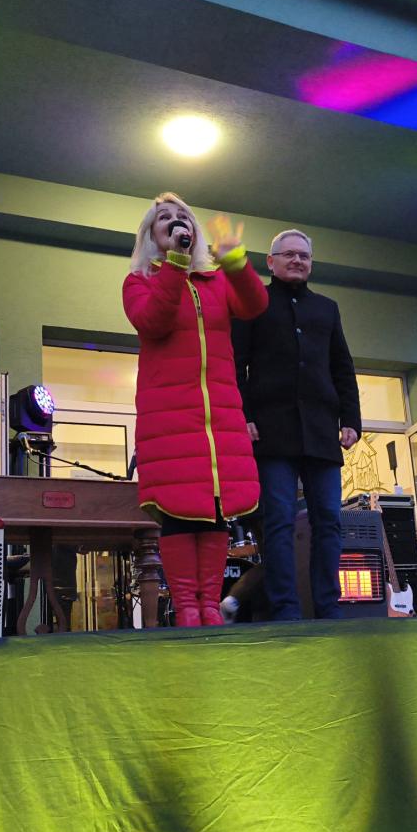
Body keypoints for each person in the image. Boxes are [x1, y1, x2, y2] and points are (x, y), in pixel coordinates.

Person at [123, 192, 268, 627]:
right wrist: (175, 265)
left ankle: (209, 606)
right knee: (178, 513)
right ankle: (187, 606)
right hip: (169, 418)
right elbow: (154, 321)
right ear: (152, 235)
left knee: (216, 512)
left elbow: (255, 305)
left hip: (219, 418)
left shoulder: (216, 280)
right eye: (164, 218)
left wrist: (235, 261)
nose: (175, 221)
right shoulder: (139, 281)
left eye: (182, 216)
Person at [233, 229, 361, 620]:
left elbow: (342, 367)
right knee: (278, 522)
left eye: (304, 256)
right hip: (271, 431)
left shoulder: (327, 308)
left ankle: (329, 606)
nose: (297, 261)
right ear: (270, 262)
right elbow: (237, 365)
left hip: (322, 431)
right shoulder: (253, 304)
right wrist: (243, 416)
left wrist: (351, 419)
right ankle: (285, 609)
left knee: (329, 521)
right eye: (288, 254)